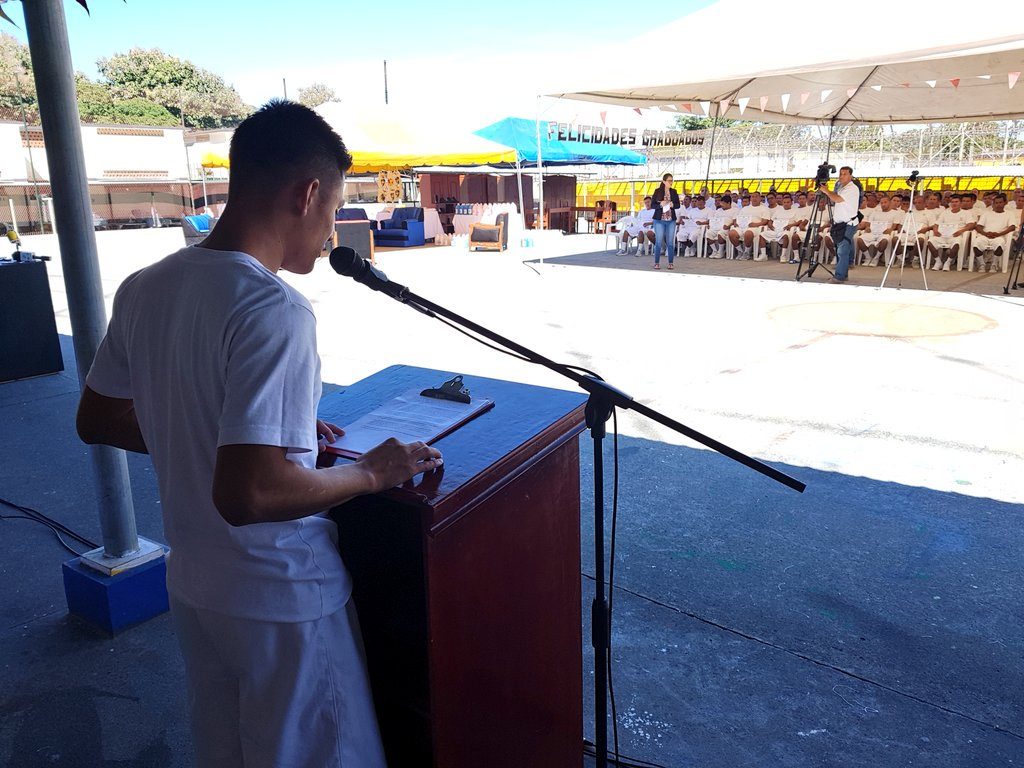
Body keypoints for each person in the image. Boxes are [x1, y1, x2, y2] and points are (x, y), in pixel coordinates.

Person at [75, 100, 444, 768]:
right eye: (334, 210)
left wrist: (224, 432)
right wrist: (371, 472)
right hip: (283, 598)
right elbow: (248, 493)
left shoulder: (145, 287)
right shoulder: (274, 309)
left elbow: (99, 417)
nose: (330, 232)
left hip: (198, 590)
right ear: (306, 194)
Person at [817, 165, 860, 283]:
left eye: (845, 174)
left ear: (851, 176)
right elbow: (834, 199)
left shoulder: (852, 188)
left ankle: (839, 276)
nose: (841, 176)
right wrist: (827, 191)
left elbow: (837, 199)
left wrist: (826, 191)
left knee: (842, 250)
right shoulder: (841, 187)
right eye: (840, 174)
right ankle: (843, 274)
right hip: (840, 223)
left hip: (848, 223)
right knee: (840, 249)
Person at [972, 192, 1019, 272]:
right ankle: (982, 264)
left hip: (1000, 236)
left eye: (1000, 202)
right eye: (996, 203)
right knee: (976, 243)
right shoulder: (986, 214)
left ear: (1005, 203)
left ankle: (994, 265)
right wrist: (985, 233)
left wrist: (999, 234)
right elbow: (978, 226)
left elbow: (1012, 227)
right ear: (993, 204)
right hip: (985, 235)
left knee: (999, 244)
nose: (998, 205)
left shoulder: (1009, 214)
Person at [650, 172, 680, 269]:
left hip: (671, 220)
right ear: (664, 181)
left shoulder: (674, 191)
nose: (671, 182)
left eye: (672, 180)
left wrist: (673, 205)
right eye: (669, 180)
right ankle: (656, 263)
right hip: (659, 220)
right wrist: (660, 205)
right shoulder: (657, 191)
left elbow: (678, 205)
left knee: (670, 242)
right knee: (658, 242)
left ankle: (671, 263)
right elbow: (652, 205)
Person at [706, 194, 736, 258]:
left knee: (720, 233)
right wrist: (710, 225)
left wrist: (728, 226)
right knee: (708, 233)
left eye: (723, 203)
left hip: (726, 228)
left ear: (728, 203)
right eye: (721, 203)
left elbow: (735, 221)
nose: (721, 205)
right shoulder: (718, 210)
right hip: (716, 227)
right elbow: (714, 219)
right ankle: (714, 251)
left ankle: (721, 251)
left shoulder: (735, 210)